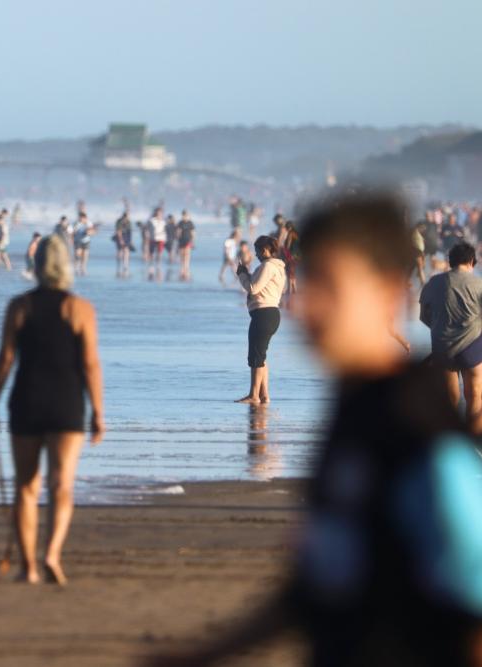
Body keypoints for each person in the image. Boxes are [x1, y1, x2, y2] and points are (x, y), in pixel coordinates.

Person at [148, 190, 482, 667]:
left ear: (389, 291)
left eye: (330, 286)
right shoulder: (355, 408)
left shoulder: (418, 427)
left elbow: (472, 590)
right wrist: (205, 653)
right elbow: (320, 584)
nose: (307, 308)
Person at [0, 234, 104, 586]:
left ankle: (29, 568)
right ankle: (51, 554)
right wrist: (98, 412)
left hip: (27, 399)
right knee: (62, 484)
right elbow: (91, 364)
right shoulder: (81, 308)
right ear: (66, 266)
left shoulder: (20, 306)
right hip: (67, 402)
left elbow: (6, 359)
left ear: (36, 267)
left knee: (26, 487)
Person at [419, 241, 482, 431]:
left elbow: (423, 316)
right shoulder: (478, 284)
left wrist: (441, 327)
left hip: (442, 349)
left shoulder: (433, 283)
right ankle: (475, 446)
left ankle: (449, 445)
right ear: (471, 261)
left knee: (450, 401)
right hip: (472, 348)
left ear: (450, 261)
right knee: (475, 396)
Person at [235, 235, 286, 404]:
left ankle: (254, 395)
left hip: (264, 314)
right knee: (260, 355)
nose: (256, 255)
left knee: (256, 356)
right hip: (269, 314)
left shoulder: (268, 266)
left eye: (257, 251)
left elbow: (253, 287)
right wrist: (246, 273)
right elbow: (257, 284)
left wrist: (242, 275)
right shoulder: (276, 267)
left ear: (265, 250)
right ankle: (264, 395)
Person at [177, 210, 196, 281]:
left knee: (187, 254)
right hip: (181, 241)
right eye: (183, 215)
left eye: (186, 215)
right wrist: (177, 239)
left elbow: (193, 232)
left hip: (188, 240)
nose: (184, 217)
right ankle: (182, 267)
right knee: (182, 254)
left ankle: (186, 266)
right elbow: (178, 232)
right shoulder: (180, 223)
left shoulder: (190, 223)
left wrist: (193, 241)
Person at [112, 212, 133, 277]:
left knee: (126, 250)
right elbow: (118, 231)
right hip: (120, 236)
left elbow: (130, 231)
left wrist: (131, 241)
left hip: (127, 236)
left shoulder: (129, 221)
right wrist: (121, 240)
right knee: (120, 251)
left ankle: (125, 264)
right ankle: (119, 264)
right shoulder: (119, 221)